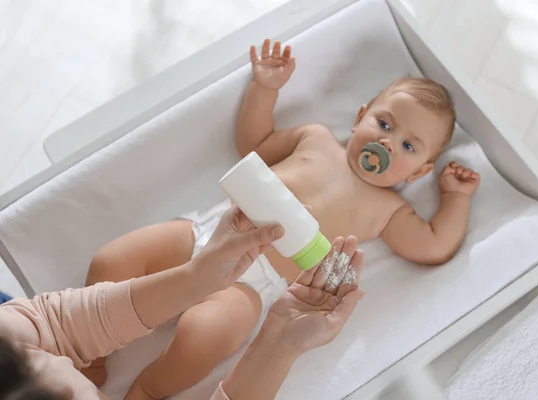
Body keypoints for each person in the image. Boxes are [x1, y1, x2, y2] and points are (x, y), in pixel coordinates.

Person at [85, 38, 481, 398]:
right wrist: (265, 90)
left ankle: (148, 391)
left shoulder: (388, 210)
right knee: (112, 260)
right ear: (360, 116)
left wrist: (455, 198)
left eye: (408, 145)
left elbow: (434, 246)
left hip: (256, 285)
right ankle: (89, 353)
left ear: (418, 173)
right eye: (384, 123)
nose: (386, 142)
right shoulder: (316, 138)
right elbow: (253, 146)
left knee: (204, 335)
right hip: (213, 233)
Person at [0, 205, 364, 400]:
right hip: (217, 250)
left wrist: (195, 278)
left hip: (242, 268)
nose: (64, 368)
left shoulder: (11, 344)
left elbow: (53, 324)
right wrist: (281, 345)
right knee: (202, 332)